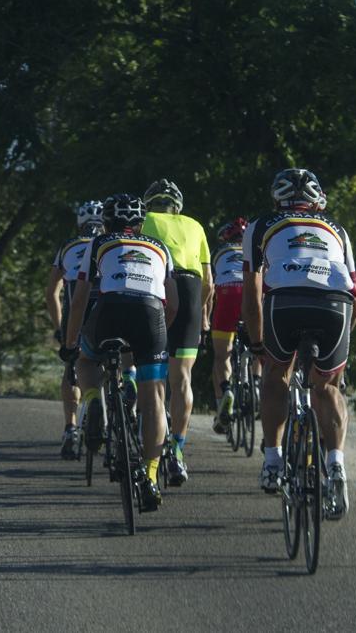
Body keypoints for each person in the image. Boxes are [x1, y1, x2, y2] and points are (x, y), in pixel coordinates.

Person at [243, 168, 356, 520]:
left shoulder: (260, 226)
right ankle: (336, 465)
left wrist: (257, 341)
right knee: (327, 386)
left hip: (286, 302)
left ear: (277, 199)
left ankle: (273, 460)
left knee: (276, 372)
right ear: (317, 200)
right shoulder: (338, 230)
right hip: (336, 304)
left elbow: (252, 290)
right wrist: (340, 354)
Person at [61, 194, 178, 510]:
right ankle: (151, 477)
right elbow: (174, 301)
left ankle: (90, 399)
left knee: (87, 360)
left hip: (110, 310)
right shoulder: (161, 247)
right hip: (151, 315)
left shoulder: (97, 244)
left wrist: (70, 343)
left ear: (107, 222)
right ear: (140, 224)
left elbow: (81, 296)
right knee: (153, 397)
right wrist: (157, 337)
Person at [140, 178, 212, 486]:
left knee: (152, 374)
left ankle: (151, 454)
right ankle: (178, 448)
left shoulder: (143, 221)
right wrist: (203, 314)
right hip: (192, 289)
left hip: (158, 286)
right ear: (177, 206)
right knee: (182, 377)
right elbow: (210, 282)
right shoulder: (195, 225)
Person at [46, 200, 105, 460]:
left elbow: (51, 293)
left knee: (73, 367)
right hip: (109, 312)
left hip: (76, 314)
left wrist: (60, 328)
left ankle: (71, 428)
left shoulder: (68, 246)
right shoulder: (111, 245)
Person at [209, 217, 260, 433]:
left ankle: (225, 392)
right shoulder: (256, 251)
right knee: (259, 344)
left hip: (227, 293)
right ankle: (257, 383)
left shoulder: (219, 252)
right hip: (251, 294)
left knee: (222, 356)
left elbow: (209, 287)